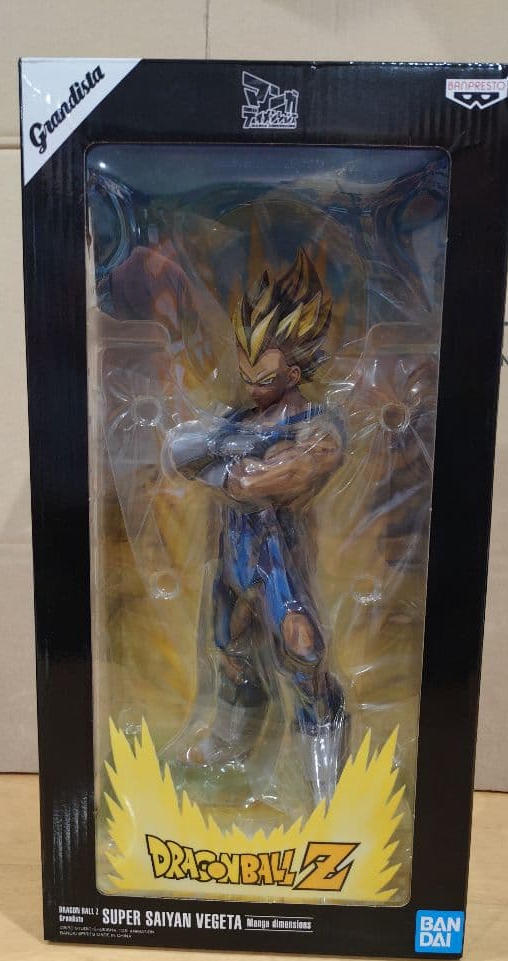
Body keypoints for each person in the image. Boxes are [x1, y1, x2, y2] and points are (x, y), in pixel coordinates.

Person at [165, 249, 349, 805]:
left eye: (263, 377)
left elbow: (270, 477)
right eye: (246, 372)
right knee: (229, 651)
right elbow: (179, 451)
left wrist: (230, 465)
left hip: (277, 560)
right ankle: (231, 745)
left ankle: (325, 770)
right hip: (231, 556)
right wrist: (224, 454)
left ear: (293, 373)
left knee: (302, 650)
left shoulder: (317, 425)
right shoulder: (235, 420)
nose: (251, 385)